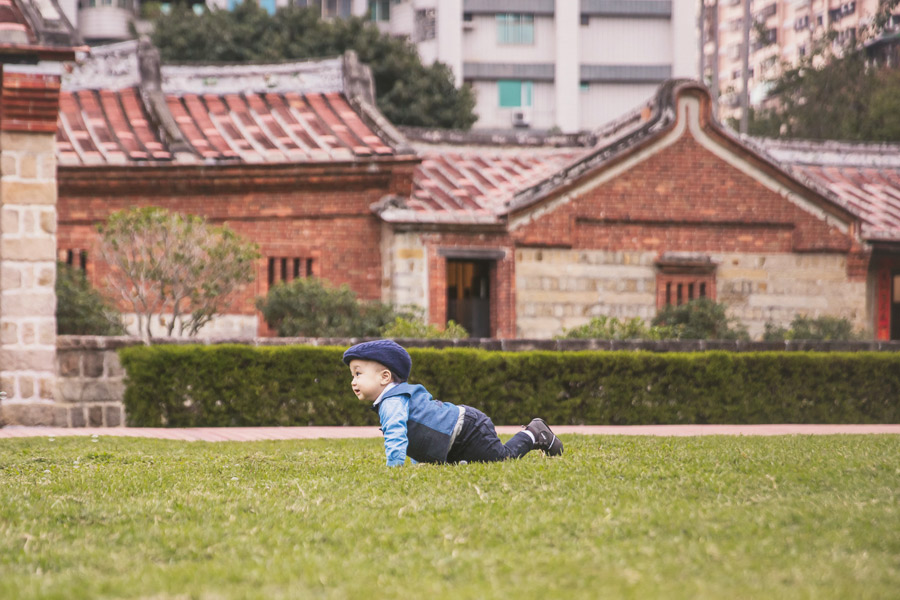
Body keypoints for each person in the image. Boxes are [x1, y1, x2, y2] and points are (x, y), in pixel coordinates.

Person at [343, 339, 563, 467]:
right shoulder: (393, 400)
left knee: (500, 460)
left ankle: (535, 432)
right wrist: (419, 463)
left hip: (468, 429)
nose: (353, 381)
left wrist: (394, 471)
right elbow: (415, 438)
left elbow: (397, 437)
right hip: (457, 436)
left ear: (385, 377)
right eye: (352, 375)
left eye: (358, 373)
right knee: (474, 466)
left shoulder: (392, 402)